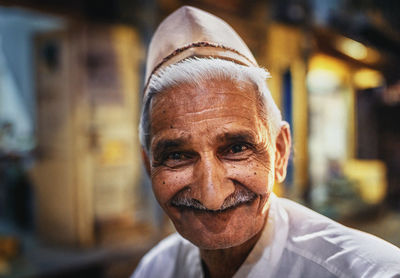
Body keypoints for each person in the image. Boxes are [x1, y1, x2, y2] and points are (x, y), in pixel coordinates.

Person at [132, 5, 400, 278]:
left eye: (236, 149)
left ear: (280, 152)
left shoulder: (370, 272)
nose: (212, 196)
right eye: (177, 156)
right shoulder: (155, 269)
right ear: (148, 165)